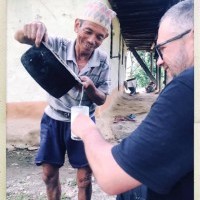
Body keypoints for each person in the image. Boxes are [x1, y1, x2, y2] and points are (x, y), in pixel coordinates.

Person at [71, 0, 194, 200]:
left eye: (161, 49)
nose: (159, 60)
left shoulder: (188, 87)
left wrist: (86, 128)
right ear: (77, 26)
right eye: (88, 32)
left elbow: (111, 176)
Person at [14, 1, 116, 200]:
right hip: (53, 119)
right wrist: (30, 30)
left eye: (99, 37)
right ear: (77, 25)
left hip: (84, 123)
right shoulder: (58, 45)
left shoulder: (102, 61)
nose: (92, 40)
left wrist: (91, 89)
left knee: (85, 178)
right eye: (88, 31)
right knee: (48, 174)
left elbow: (102, 99)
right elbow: (21, 38)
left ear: (104, 39)